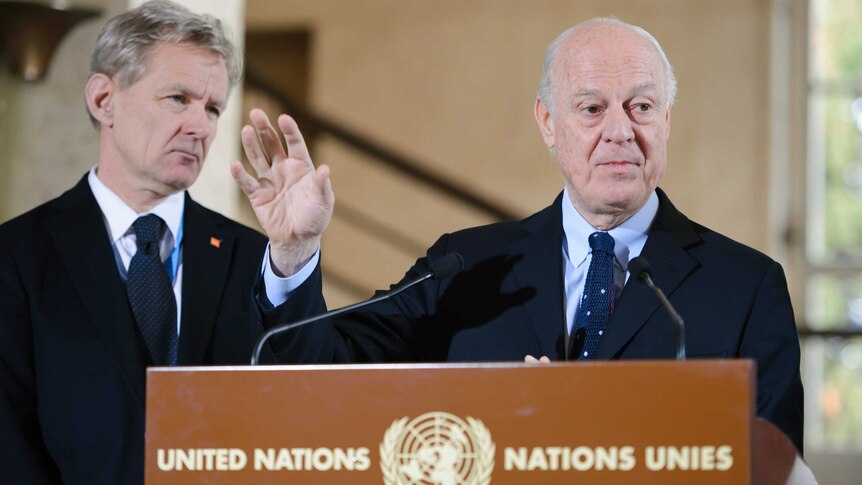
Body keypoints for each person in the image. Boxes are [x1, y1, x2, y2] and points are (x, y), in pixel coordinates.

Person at [234, 18, 804, 453]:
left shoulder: (746, 287)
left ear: (667, 119)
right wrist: (294, 253)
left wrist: (590, 421)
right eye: (591, 108)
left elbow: (773, 464)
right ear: (548, 123)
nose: (620, 132)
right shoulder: (465, 264)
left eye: (642, 106)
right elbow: (325, 375)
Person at [0, 1, 316, 483]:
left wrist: (295, 254)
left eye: (212, 108)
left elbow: (306, 405)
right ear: (104, 100)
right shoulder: (17, 254)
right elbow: (10, 443)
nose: (201, 127)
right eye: (177, 99)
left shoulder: (256, 257)